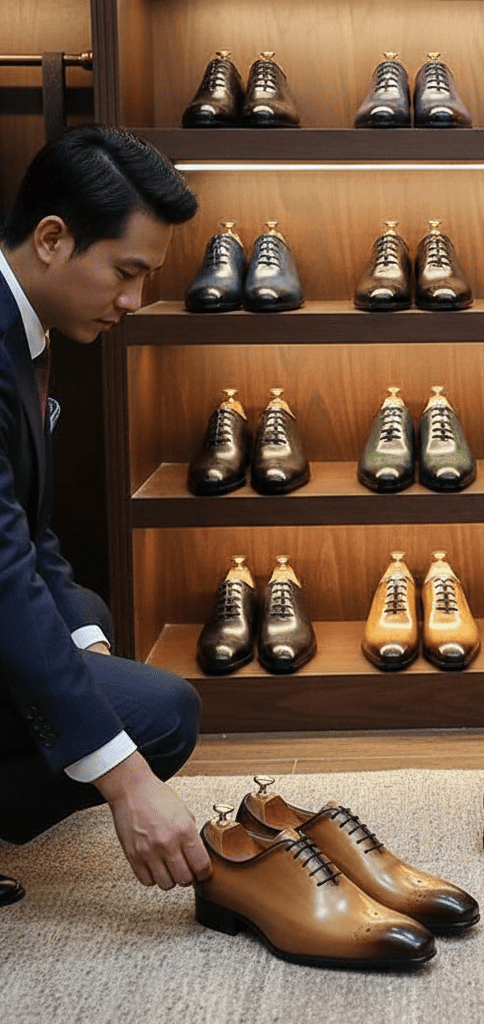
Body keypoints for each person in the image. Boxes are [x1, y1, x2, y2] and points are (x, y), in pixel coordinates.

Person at [0, 125, 211, 906]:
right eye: (126, 273)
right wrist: (126, 783)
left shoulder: (23, 327)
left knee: (89, 616)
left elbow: (28, 529)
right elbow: (3, 574)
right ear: (53, 238)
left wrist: (85, 652)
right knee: (157, 715)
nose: (134, 301)